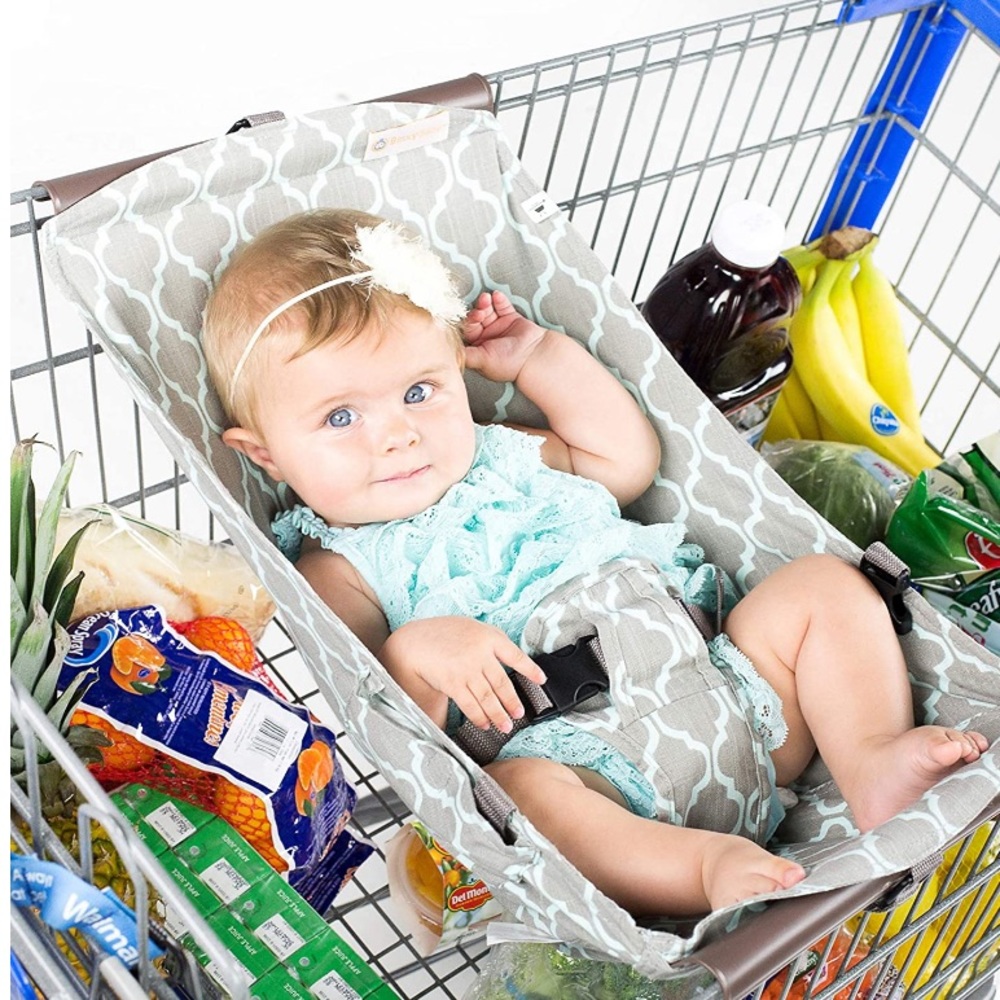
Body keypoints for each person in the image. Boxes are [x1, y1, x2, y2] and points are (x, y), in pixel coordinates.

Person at [202, 207, 987, 917]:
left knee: (825, 585)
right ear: (265, 454)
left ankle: (869, 757)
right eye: (341, 416)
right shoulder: (337, 562)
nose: (398, 434)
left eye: (419, 391)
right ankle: (703, 866)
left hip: (734, 697)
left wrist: (539, 357)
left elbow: (626, 459)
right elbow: (373, 693)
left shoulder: (506, 454)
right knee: (524, 799)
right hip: (592, 765)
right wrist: (416, 649)